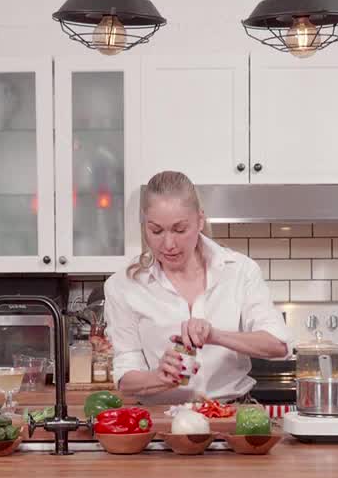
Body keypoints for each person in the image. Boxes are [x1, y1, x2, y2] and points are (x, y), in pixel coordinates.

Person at [104, 170, 291, 403]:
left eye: (180, 229)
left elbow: (279, 345)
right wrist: (159, 377)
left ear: (200, 220)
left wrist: (216, 336)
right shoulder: (122, 285)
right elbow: (125, 376)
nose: (169, 244)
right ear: (144, 225)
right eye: (156, 231)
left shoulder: (240, 270)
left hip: (230, 417)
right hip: (164, 421)